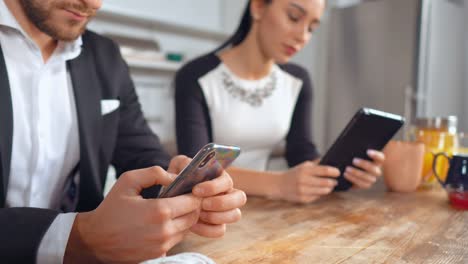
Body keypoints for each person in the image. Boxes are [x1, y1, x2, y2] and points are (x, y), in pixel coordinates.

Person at [0, 0, 246, 263]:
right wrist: (76, 235)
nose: (94, 3)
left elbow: (141, 152)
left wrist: (178, 189)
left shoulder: (105, 56)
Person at [175, 0, 385, 204]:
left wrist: (342, 173)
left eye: (311, 28)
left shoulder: (297, 80)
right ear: (258, 6)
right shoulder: (195, 76)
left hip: (267, 209)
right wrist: (279, 184)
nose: (302, 36)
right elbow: (196, 171)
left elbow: (301, 154)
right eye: (294, 17)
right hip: (211, 209)